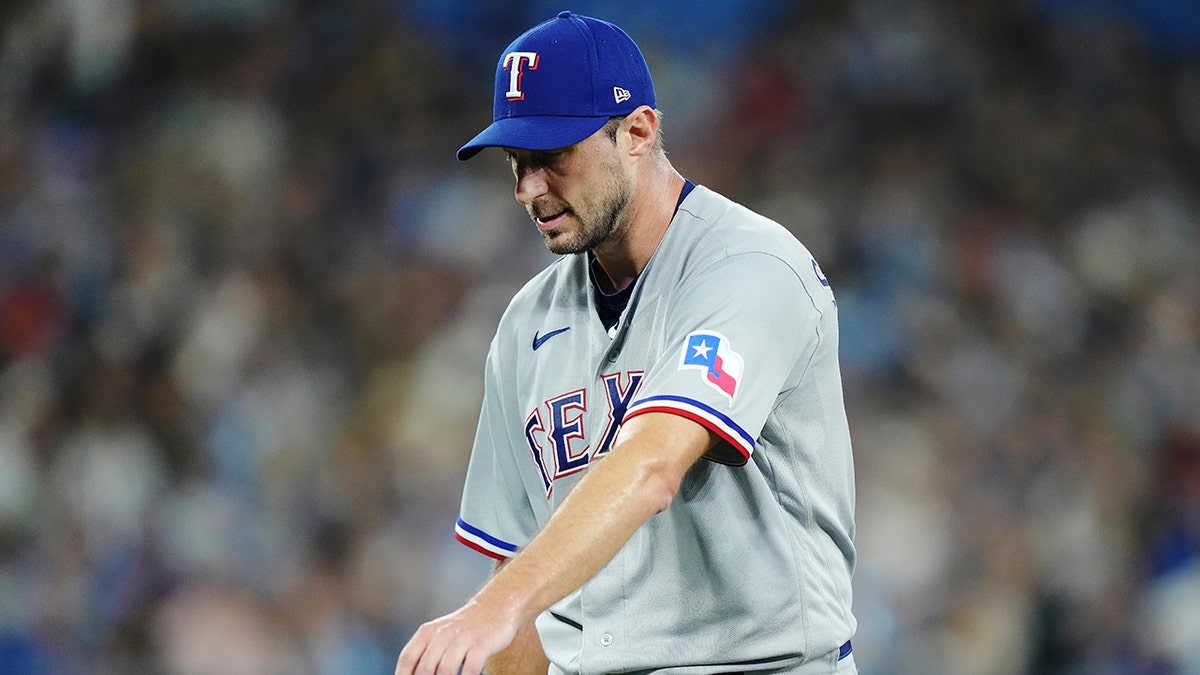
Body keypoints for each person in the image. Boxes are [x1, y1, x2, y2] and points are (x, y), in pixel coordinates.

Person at [395, 11, 857, 675]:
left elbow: (652, 466)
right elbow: (519, 588)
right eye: (517, 164)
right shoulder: (526, 325)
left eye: (552, 158)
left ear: (637, 131)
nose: (529, 189)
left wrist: (495, 605)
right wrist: (505, 611)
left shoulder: (751, 266)